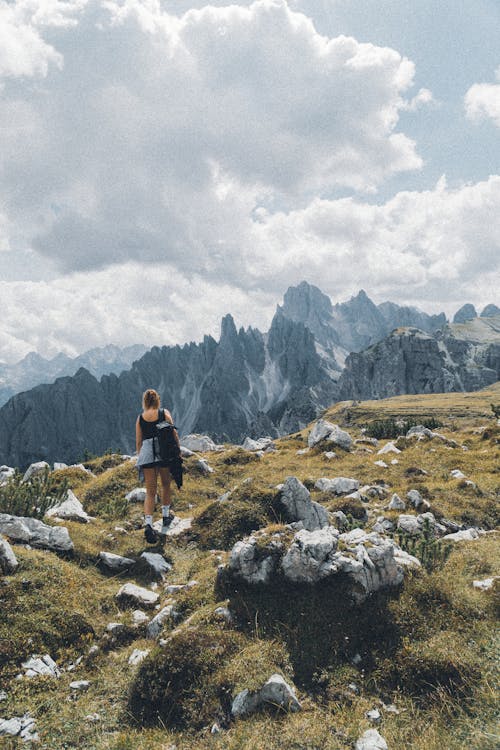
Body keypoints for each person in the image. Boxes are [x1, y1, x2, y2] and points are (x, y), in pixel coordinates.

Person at [135, 388, 178, 543]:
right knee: (166, 484)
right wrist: (177, 451)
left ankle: (148, 524)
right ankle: (166, 515)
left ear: (145, 402)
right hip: (164, 451)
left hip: (147, 454)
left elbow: (139, 441)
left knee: (150, 491)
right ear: (157, 400)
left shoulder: (140, 418)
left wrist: (142, 457)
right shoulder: (164, 413)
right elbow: (173, 433)